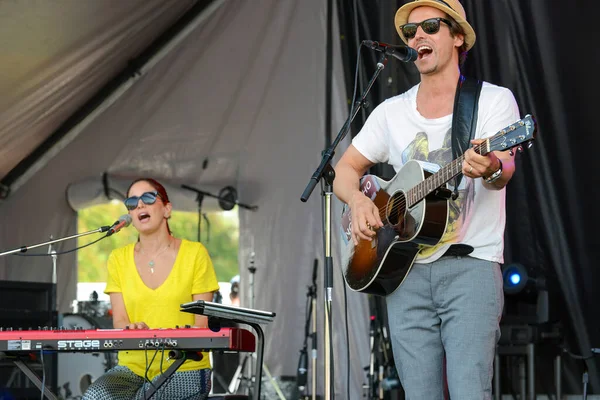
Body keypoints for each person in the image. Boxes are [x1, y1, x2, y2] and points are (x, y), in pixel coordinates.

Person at [333, 1, 520, 399]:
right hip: (405, 272)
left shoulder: (491, 101)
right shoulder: (391, 112)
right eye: (410, 32)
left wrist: (487, 166)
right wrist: (361, 202)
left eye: (430, 26)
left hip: (470, 267)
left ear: (456, 37)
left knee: (471, 391)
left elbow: (503, 171)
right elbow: (344, 171)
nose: (417, 36)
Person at [83, 178, 220, 400]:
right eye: (132, 201)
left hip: (184, 366)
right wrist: (131, 328)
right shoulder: (118, 259)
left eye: (148, 197)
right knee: (95, 396)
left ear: (167, 209)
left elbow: (201, 325)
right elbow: (120, 321)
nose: (140, 205)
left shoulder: (195, 253)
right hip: (133, 367)